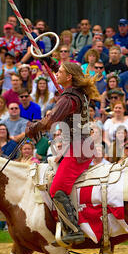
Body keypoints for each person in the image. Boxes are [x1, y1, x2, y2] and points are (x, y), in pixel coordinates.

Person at [25, 62, 100, 244]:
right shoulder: (75, 94)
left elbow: (51, 120)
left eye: (60, 72)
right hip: (77, 146)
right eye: (56, 71)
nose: (57, 74)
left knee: (57, 188)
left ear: (69, 77)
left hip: (78, 149)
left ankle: (73, 229)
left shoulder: (69, 98)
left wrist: (34, 127)